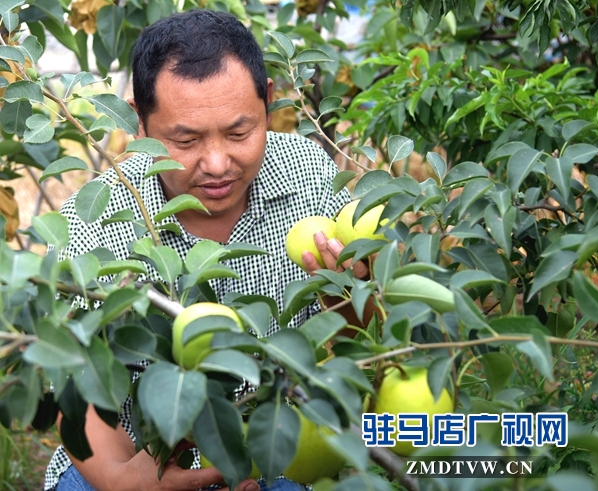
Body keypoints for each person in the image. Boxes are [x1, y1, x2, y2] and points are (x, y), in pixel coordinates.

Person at [44, 8, 372, 491]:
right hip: (142, 459)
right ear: (140, 121)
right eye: (186, 139)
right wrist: (124, 480)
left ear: (268, 102)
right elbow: (76, 383)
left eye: (240, 132)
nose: (218, 164)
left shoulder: (310, 175)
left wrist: (350, 292)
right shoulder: (95, 221)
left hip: (278, 455)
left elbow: (353, 342)